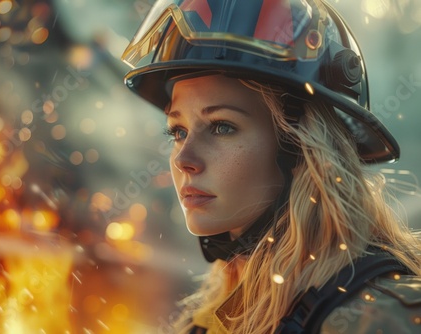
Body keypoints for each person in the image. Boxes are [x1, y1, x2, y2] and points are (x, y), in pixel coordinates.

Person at [120, 0, 421, 333]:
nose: (183, 159)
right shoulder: (212, 318)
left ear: (300, 147)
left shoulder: (376, 319)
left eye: (222, 126)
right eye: (178, 131)